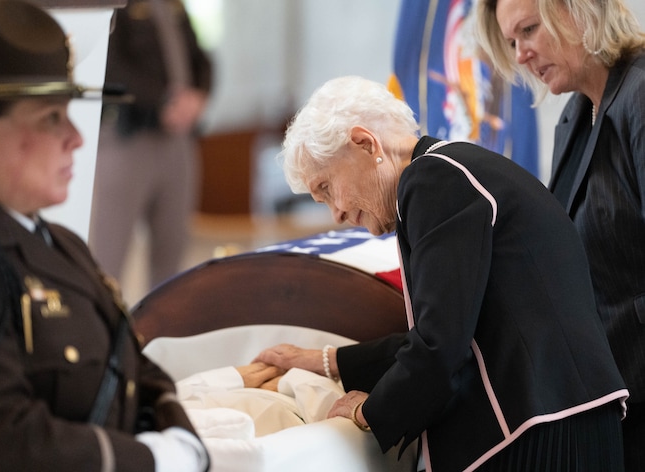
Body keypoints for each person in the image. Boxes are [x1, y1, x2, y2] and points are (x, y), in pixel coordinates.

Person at [253, 75, 628, 471]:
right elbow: (458, 333)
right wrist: (326, 360)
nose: (337, 213)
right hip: (571, 425)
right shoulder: (455, 167)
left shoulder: (432, 179)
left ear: (365, 144)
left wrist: (368, 412)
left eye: (327, 188)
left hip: (542, 437)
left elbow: (440, 346)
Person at [0, 1, 208, 470]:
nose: (76, 137)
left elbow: (133, 365)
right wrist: (151, 460)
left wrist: (178, 436)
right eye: (50, 118)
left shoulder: (62, 244)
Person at [474, 0, 645, 468]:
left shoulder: (642, 93)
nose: (521, 55)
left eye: (529, 30)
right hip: (607, 407)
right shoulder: (575, 114)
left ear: (580, 10)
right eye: (511, 42)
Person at [89, 0, 212, 291]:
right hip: (128, 139)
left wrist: (198, 96)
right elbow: (108, 62)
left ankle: (162, 332)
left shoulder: (172, 5)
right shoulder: (113, 5)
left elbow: (201, 59)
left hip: (177, 142)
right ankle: (106, 333)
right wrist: (163, 101)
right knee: (108, 259)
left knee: (172, 255)